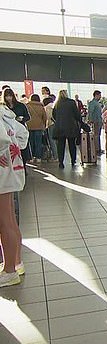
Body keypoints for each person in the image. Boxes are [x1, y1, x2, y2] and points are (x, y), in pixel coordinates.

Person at [0, 103, 28, 287]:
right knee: (9, 219)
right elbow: (23, 135)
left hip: (2, 172)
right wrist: (14, 150)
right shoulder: (6, 115)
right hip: (10, 171)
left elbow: (3, 140)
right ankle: (16, 262)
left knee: (5, 222)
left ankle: (9, 270)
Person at [52, 90, 82, 169]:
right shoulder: (71, 102)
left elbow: (53, 115)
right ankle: (73, 160)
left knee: (60, 145)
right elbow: (77, 114)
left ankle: (61, 162)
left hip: (60, 127)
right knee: (72, 144)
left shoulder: (57, 104)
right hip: (71, 127)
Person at [3, 88, 32, 164]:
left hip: (20, 130)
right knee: (11, 152)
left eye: (10, 96)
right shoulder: (3, 107)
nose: (9, 98)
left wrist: (22, 119)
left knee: (22, 150)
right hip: (8, 131)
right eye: (6, 96)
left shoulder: (21, 105)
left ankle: (24, 167)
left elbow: (28, 117)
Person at [25, 94, 47, 163]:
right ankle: (38, 158)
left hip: (29, 127)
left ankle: (31, 157)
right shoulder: (41, 107)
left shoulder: (27, 106)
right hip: (39, 127)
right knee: (38, 143)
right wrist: (43, 125)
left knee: (30, 142)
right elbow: (44, 117)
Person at [87, 90, 104, 155]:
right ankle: (96, 149)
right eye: (99, 95)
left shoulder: (97, 103)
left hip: (98, 121)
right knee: (96, 135)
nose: (100, 97)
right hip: (95, 121)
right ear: (96, 95)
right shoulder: (92, 103)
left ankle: (98, 148)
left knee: (98, 135)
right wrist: (90, 120)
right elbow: (90, 112)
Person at [43, 96, 58, 161]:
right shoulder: (55, 105)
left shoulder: (47, 107)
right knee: (57, 141)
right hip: (57, 125)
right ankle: (58, 156)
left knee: (52, 141)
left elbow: (48, 117)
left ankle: (55, 157)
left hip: (51, 124)